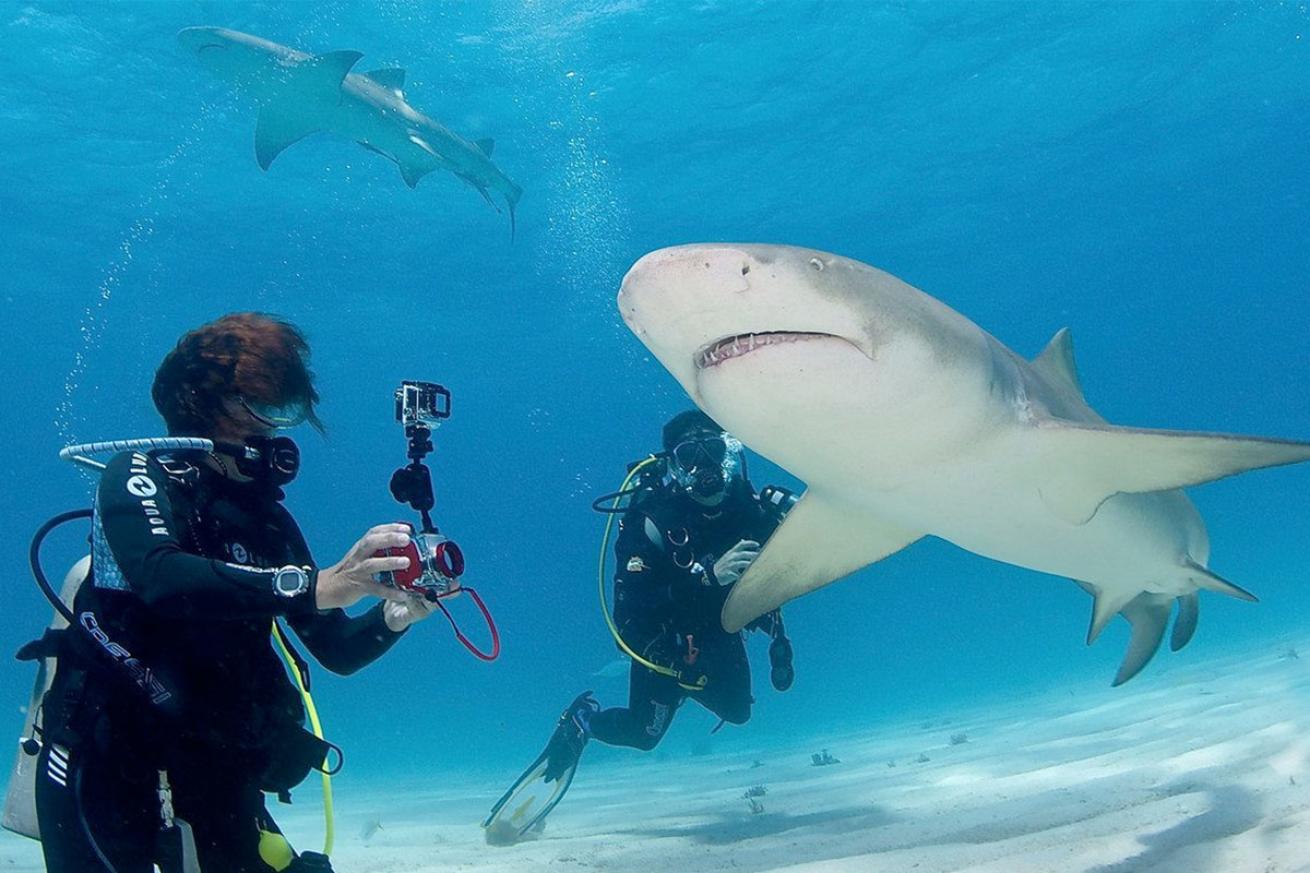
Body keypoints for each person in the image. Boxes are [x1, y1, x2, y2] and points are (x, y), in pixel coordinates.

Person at [29, 313, 437, 873]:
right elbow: (160, 578)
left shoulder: (267, 523)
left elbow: (335, 650)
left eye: (287, 410)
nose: (277, 431)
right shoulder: (137, 474)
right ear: (203, 404)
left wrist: (392, 618)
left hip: (214, 761)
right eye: (265, 409)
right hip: (106, 760)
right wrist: (315, 584)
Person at [551, 410, 796, 772]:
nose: (704, 465)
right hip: (665, 647)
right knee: (644, 735)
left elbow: (786, 567)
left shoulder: (750, 508)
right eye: (689, 456)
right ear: (674, 466)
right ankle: (582, 722)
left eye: (712, 450)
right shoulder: (652, 521)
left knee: (739, 712)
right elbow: (630, 612)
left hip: (719, 632)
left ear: (729, 453)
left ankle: (688, 691)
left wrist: (795, 519)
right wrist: (706, 579)